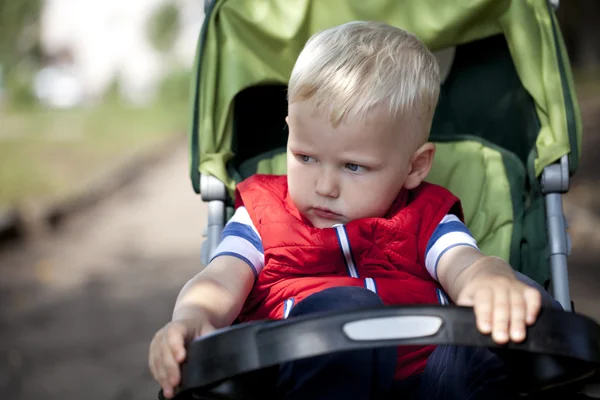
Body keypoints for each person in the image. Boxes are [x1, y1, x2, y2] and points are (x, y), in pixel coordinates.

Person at [149, 21, 549, 399]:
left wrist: (489, 277)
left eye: (353, 166)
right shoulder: (262, 213)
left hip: (426, 382)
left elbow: (463, 263)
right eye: (305, 157)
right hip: (302, 375)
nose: (325, 186)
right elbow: (219, 279)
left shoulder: (425, 216)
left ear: (414, 167)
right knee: (343, 309)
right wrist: (192, 316)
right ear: (289, 131)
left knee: (500, 328)